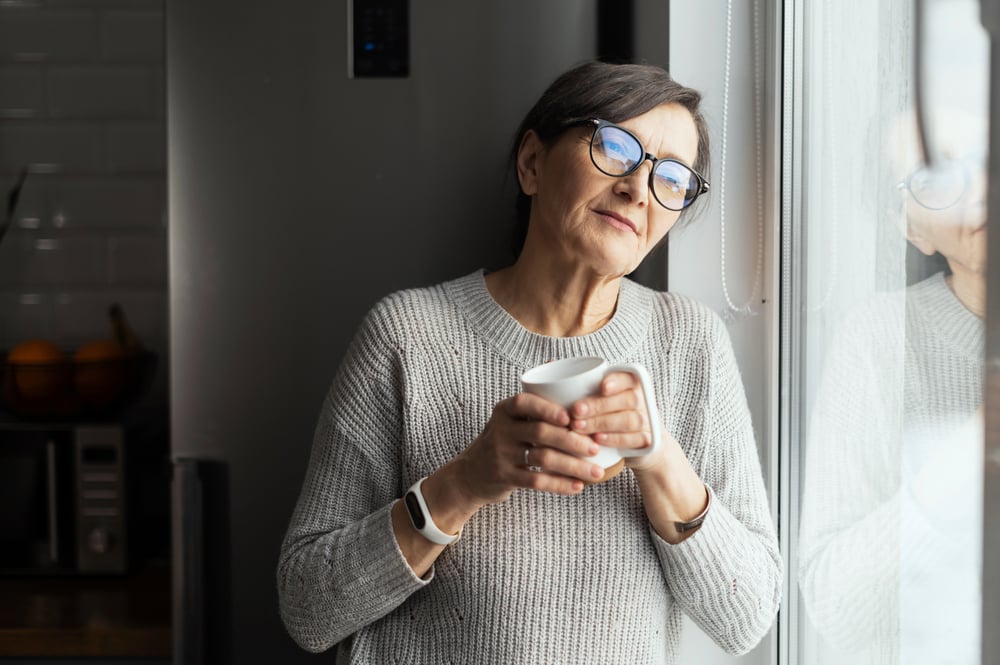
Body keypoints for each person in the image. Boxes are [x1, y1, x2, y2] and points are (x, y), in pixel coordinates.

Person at [277, 60, 781, 664]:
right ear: (532, 163)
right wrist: (462, 484)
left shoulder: (692, 344)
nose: (638, 189)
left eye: (672, 179)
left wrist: (661, 459)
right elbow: (307, 608)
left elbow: (747, 617)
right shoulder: (406, 336)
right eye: (615, 146)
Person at [798, 110, 986, 664]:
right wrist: (965, 455)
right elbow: (835, 605)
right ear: (910, 227)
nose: (976, 188)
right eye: (933, 179)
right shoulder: (881, 337)